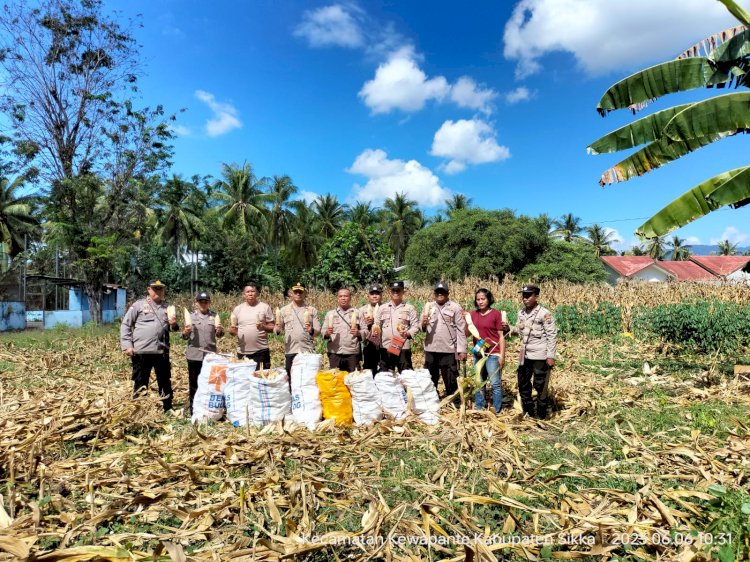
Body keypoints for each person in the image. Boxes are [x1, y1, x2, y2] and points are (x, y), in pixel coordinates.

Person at [120, 279, 180, 412]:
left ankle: (167, 408)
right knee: (140, 382)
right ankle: (139, 410)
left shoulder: (167, 308)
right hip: (141, 352)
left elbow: (173, 329)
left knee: (164, 381)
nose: (158, 291)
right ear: (149, 290)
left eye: (160, 289)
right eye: (155, 289)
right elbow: (126, 325)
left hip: (161, 352)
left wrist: (174, 324)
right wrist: (127, 345)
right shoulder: (138, 305)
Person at [511, 284, 557, 419]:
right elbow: (519, 330)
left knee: (540, 384)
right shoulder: (521, 313)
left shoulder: (544, 313)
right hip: (524, 354)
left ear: (536, 296)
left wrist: (550, 356)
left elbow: (551, 335)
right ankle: (528, 411)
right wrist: (509, 328)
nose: (525, 298)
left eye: (528, 296)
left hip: (539, 354)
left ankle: (542, 414)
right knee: (523, 382)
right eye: (523, 296)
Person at [421, 281, 467, 401]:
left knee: (451, 377)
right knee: (430, 376)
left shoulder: (455, 307)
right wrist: (424, 322)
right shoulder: (429, 306)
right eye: (437, 292)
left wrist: (462, 349)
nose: (440, 294)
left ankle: (454, 400)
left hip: (448, 349)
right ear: (434, 293)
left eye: (443, 292)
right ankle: (431, 399)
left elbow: (461, 330)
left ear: (447, 293)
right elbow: (422, 329)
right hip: (431, 348)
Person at [181, 291, 224, 415]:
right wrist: (185, 332)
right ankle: (194, 409)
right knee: (194, 383)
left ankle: (209, 409)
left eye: (206, 302)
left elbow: (219, 335)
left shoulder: (214, 316)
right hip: (194, 355)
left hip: (210, 356)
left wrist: (219, 330)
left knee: (210, 383)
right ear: (196, 303)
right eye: (201, 302)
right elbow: (184, 336)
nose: (203, 304)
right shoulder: (191, 316)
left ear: (209, 303)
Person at [466, 288, 505, 413]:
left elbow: (501, 337)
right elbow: (467, 333)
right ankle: (480, 407)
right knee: (479, 381)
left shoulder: (496, 314)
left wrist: (502, 355)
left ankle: (497, 409)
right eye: (478, 299)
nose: (480, 302)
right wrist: (466, 321)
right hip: (479, 353)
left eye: (483, 299)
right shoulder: (473, 315)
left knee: (495, 383)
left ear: (488, 299)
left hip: (493, 352)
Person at [275, 282, 321, 374]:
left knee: (308, 378)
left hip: (307, 350)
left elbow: (318, 331)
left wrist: (311, 330)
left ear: (305, 293)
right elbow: (277, 329)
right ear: (291, 293)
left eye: (300, 292)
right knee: (291, 378)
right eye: (295, 291)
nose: (298, 294)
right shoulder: (284, 310)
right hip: (291, 350)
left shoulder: (311, 310)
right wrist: (277, 329)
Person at [229, 282, 274, 369]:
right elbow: (232, 330)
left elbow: (273, 328)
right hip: (243, 352)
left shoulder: (265, 307)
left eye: (253, 291)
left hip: (261, 351)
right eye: (248, 291)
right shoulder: (237, 309)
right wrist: (232, 331)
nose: (250, 294)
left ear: (257, 293)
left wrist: (263, 327)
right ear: (244, 294)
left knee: (261, 379)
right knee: (244, 381)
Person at [377, 281, 419, 372]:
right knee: (386, 375)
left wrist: (408, 333)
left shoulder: (409, 308)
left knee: (405, 375)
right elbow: (377, 325)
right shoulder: (382, 308)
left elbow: (415, 326)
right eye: (393, 290)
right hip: (386, 346)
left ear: (403, 292)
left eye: (398, 290)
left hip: (403, 346)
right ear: (389, 292)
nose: (396, 292)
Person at [323, 287, 365, 372]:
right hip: (335, 352)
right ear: (337, 298)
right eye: (340, 296)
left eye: (346, 296)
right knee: (335, 381)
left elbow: (365, 331)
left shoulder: (358, 313)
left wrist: (358, 333)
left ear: (350, 298)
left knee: (353, 380)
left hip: (352, 353)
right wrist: (327, 333)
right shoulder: (330, 314)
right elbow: (323, 331)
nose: (343, 298)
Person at [358, 283, 383, 373]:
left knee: (384, 370)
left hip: (383, 344)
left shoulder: (386, 308)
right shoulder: (361, 310)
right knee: (369, 370)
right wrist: (367, 324)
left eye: (377, 294)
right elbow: (358, 329)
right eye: (372, 294)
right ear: (368, 296)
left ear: (381, 295)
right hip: (369, 344)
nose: (375, 296)